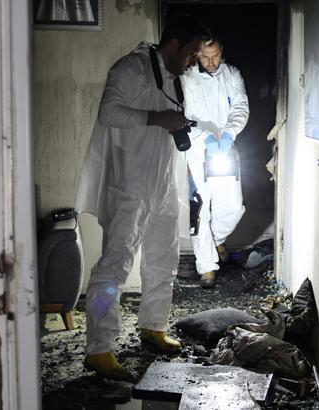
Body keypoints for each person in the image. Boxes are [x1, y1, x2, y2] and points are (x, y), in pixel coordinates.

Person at [75, 15, 209, 380]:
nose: (193, 62)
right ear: (173, 44)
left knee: (163, 259)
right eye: (191, 53)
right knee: (114, 266)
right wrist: (157, 118)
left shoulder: (175, 78)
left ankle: (153, 327)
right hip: (129, 185)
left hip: (164, 183)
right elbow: (108, 112)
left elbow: (167, 120)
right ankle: (99, 348)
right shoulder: (130, 68)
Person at [182, 37, 249, 288]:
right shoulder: (187, 78)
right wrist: (206, 137)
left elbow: (241, 106)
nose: (211, 62)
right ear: (197, 54)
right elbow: (186, 114)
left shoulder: (231, 74)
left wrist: (229, 133)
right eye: (205, 57)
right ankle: (207, 266)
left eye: (215, 56)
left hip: (225, 147)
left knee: (232, 207)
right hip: (197, 149)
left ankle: (216, 239)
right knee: (201, 210)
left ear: (222, 51)